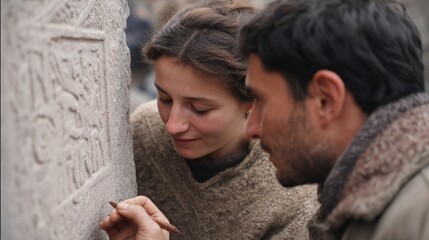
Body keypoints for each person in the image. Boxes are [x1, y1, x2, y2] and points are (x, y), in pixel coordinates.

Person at [100, 0, 318, 239]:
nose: (173, 125)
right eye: (165, 98)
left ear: (251, 99)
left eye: (199, 108)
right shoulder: (143, 131)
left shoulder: (294, 195)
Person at [240, 0, 429, 239]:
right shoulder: (384, 206)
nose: (251, 128)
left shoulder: (417, 215)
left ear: (325, 99)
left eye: (261, 99)